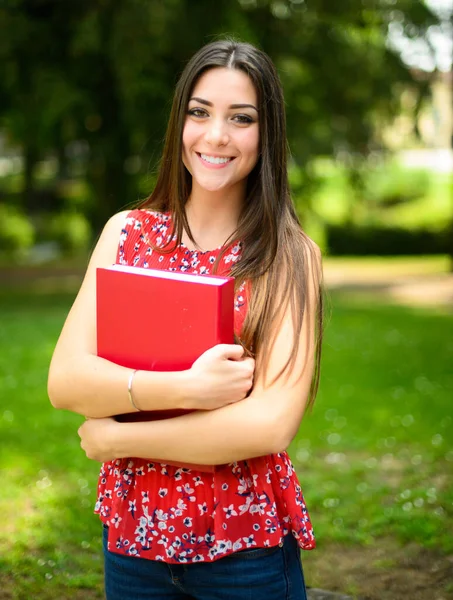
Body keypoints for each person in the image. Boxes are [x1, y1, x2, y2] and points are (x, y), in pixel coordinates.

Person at [48, 38, 323, 600]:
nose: (216, 135)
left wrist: (119, 439)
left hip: (244, 550)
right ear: (180, 123)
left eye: (240, 118)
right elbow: (66, 382)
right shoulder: (126, 233)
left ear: (266, 134)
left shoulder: (289, 256)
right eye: (200, 112)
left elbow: (268, 425)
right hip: (133, 544)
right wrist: (187, 389)